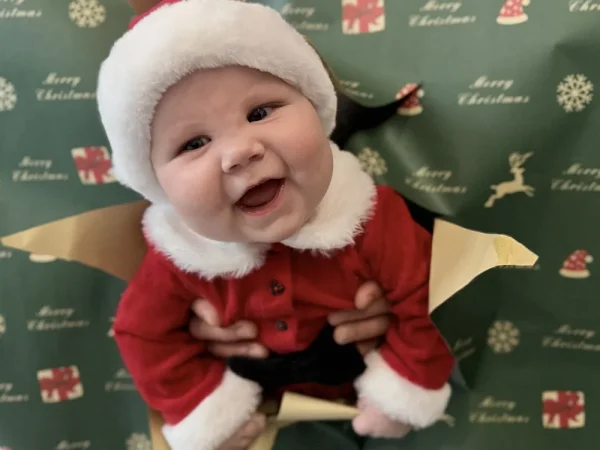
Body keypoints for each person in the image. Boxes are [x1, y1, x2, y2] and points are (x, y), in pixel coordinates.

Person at [97, 1, 455, 449]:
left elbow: (431, 299)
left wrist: (403, 389)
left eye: (260, 113)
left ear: (317, 110)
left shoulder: (374, 216)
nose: (238, 152)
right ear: (157, 185)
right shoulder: (176, 257)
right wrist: (204, 406)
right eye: (194, 143)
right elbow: (143, 334)